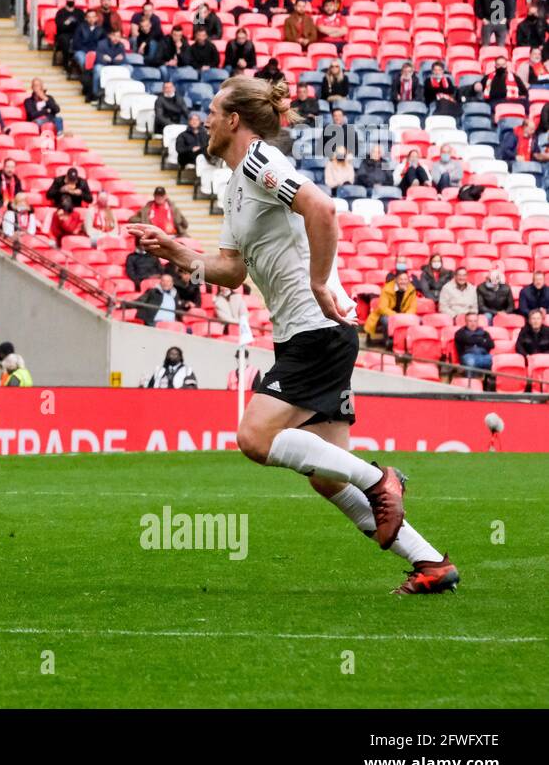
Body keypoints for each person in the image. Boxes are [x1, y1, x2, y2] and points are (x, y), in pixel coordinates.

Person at [129, 74, 457, 594]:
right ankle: (431, 564)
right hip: (309, 334)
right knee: (329, 476)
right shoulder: (237, 184)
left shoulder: (261, 161)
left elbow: (322, 209)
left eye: (213, 112)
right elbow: (231, 270)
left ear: (233, 120)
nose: (206, 120)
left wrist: (320, 281)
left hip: (316, 329)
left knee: (254, 437)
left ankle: (380, 480)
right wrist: (173, 249)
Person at [365, 270, 416, 343]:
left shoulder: (411, 290)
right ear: (396, 280)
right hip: (388, 314)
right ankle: (389, 340)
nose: (403, 282)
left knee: (416, 319)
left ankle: (406, 341)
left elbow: (413, 307)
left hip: (404, 314)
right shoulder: (387, 289)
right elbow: (383, 308)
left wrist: (405, 316)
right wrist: (396, 316)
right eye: (401, 279)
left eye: (405, 279)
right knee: (386, 320)